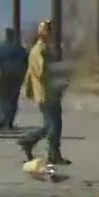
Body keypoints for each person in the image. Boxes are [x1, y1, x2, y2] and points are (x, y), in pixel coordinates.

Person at [17, 20, 69, 166]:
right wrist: (60, 72)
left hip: (47, 92)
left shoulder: (40, 49)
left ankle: (31, 142)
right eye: (49, 32)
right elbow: (41, 71)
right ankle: (50, 152)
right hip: (47, 93)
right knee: (54, 125)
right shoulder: (40, 51)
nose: (51, 35)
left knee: (50, 125)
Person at [0, 27, 29, 129]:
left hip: (0, 75)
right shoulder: (20, 49)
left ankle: (2, 119)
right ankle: (9, 121)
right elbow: (26, 62)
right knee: (13, 99)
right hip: (16, 76)